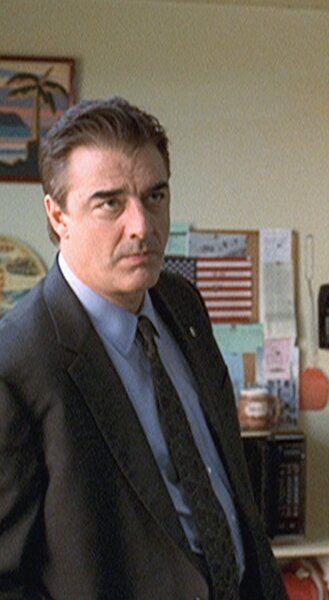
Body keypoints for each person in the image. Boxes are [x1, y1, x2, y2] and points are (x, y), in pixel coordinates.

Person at [0, 97, 287, 599]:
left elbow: (230, 487)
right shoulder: (18, 362)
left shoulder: (182, 303)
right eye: (110, 203)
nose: (142, 226)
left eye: (155, 196)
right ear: (57, 215)